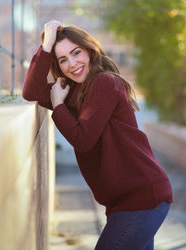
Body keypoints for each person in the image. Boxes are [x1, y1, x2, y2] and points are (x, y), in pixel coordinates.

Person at [22, 20, 173, 250]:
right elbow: (30, 91)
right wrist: (46, 46)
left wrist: (59, 107)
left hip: (142, 199)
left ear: (90, 50)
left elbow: (83, 139)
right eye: (63, 60)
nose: (72, 64)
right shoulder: (72, 93)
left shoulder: (104, 83)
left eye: (76, 53)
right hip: (126, 202)